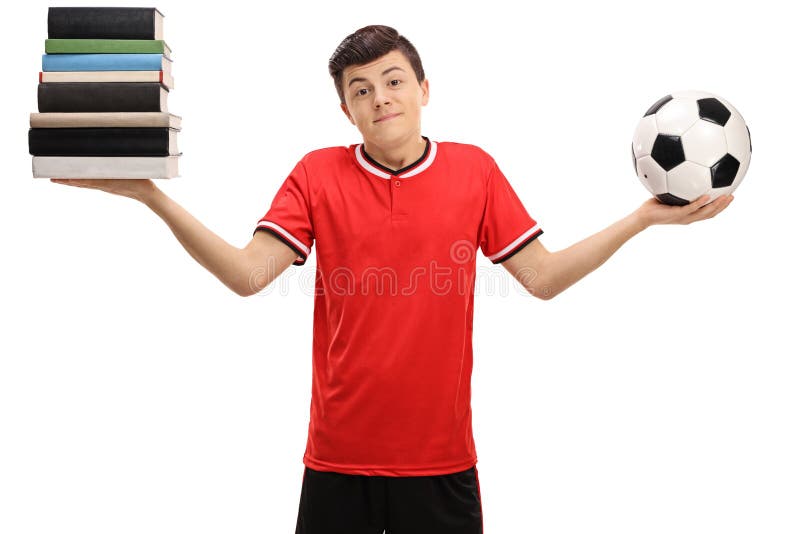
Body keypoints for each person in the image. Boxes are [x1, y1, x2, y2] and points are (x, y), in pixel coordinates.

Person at [49, 24, 733, 534]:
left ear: (424, 88)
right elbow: (247, 273)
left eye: (394, 80)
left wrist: (642, 219)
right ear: (345, 108)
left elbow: (543, 277)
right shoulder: (316, 173)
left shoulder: (475, 171)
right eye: (361, 89)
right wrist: (151, 196)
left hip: (440, 465)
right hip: (338, 463)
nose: (380, 98)